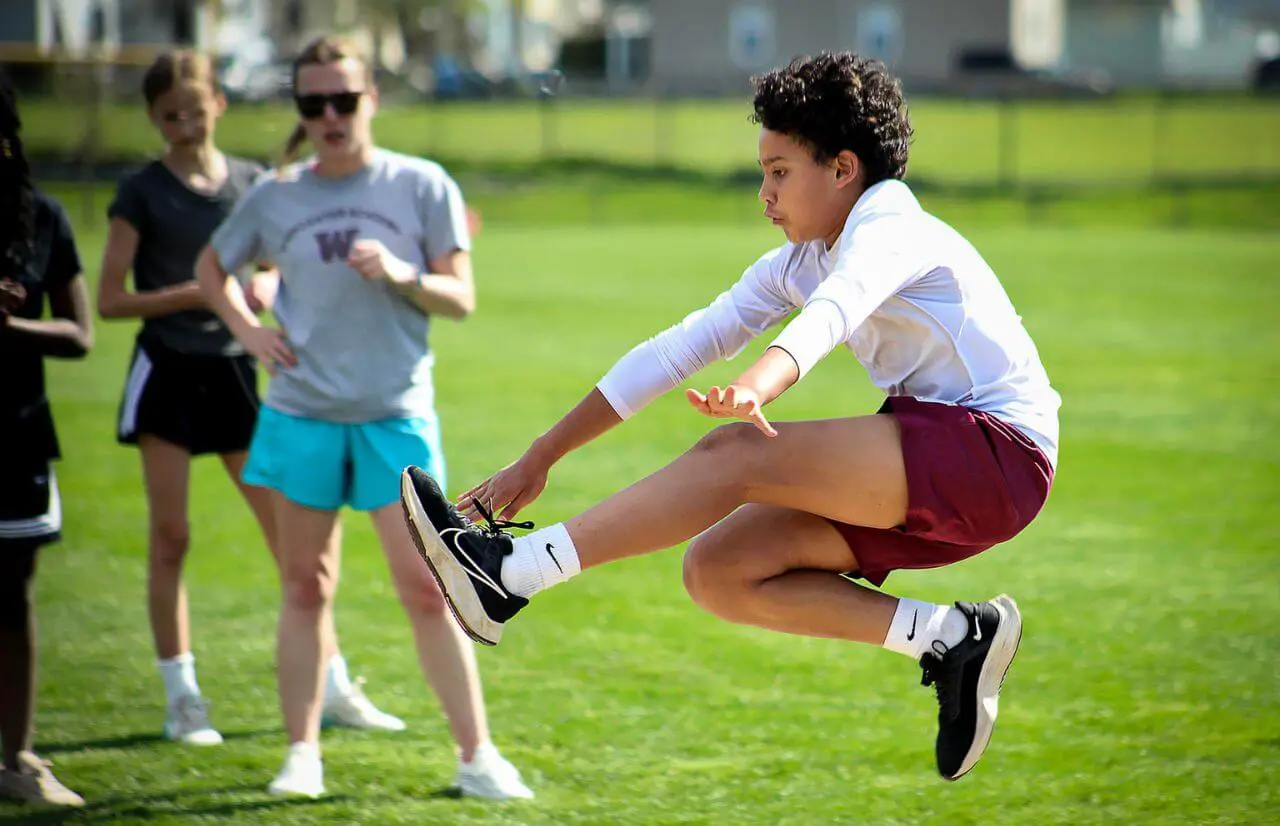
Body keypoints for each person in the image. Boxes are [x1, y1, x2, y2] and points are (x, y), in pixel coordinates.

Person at [401, 51, 1061, 782]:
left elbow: (835, 314)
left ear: (843, 169)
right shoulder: (802, 258)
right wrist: (542, 455)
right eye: (763, 173)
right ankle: (952, 638)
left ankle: (510, 575)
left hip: (999, 455)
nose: (764, 193)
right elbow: (681, 348)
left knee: (734, 453)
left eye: (779, 172)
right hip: (954, 468)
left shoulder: (889, 224)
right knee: (720, 571)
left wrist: (759, 383)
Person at [194, 35, 532, 800]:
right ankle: (302, 754)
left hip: (394, 416)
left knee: (428, 588)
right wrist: (247, 333)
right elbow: (211, 267)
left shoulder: (420, 185)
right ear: (301, 111)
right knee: (305, 587)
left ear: (370, 99)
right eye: (312, 104)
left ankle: (478, 758)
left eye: (343, 100)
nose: (329, 116)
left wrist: (404, 273)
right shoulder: (276, 197)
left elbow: (462, 297)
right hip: (302, 414)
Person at [96, 50, 402, 747]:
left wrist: (261, 287)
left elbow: (273, 266)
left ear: (219, 106)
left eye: (194, 111)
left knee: (295, 553)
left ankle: (335, 687)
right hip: (168, 371)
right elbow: (112, 299)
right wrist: (206, 290)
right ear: (152, 118)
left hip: (237, 372)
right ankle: (183, 698)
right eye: (168, 115)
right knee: (171, 537)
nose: (182, 124)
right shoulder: (141, 191)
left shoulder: (252, 185)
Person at [0, 68, 93, 807]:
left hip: (19, 434)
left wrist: (11, 326)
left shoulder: (44, 218)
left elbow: (80, 333)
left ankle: (20, 759)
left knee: (15, 597)